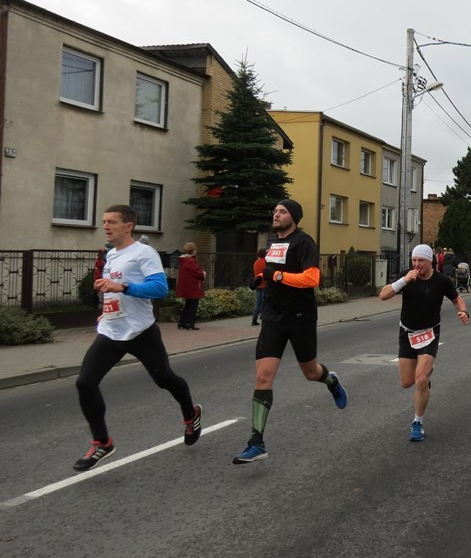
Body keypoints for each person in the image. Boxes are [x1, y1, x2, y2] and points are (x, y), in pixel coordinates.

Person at [73, 205, 202, 471]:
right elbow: (113, 290)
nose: (106, 226)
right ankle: (102, 442)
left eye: (112, 222)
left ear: (128, 226)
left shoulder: (144, 253)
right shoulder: (111, 254)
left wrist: (123, 287)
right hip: (111, 331)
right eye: (104, 221)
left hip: (140, 331)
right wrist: (107, 309)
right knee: (85, 383)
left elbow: (160, 288)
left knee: (164, 379)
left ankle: (191, 413)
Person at [232, 199, 348, 464]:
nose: (276, 214)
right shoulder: (272, 242)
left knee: (310, 372)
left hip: (300, 317)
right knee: (263, 376)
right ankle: (256, 442)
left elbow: (312, 278)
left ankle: (331, 381)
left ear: (293, 217)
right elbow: (274, 272)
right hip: (273, 317)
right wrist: (261, 279)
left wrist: (276, 277)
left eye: (282, 211)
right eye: (275, 211)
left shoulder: (303, 242)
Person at [380, 244, 469, 441]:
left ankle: (417, 422)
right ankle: (425, 376)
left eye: (421, 260)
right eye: (414, 260)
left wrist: (463, 311)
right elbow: (383, 295)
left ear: (430, 261)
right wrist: (403, 281)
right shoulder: (407, 276)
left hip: (429, 333)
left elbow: (457, 299)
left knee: (420, 379)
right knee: (406, 382)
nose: (417, 264)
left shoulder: (441, 281)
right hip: (407, 332)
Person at [175, 242, 206, 331]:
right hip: (193, 286)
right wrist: (203, 274)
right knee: (193, 305)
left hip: (186, 286)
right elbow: (198, 273)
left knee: (188, 304)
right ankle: (189, 323)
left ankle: (182, 322)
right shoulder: (191, 261)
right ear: (193, 250)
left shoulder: (183, 260)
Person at [251, 247, 267, 326]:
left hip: (258, 285)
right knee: (265, 304)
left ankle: (254, 319)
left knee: (258, 303)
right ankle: (264, 319)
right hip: (266, 285)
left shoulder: (256, 262)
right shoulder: (266, 262)